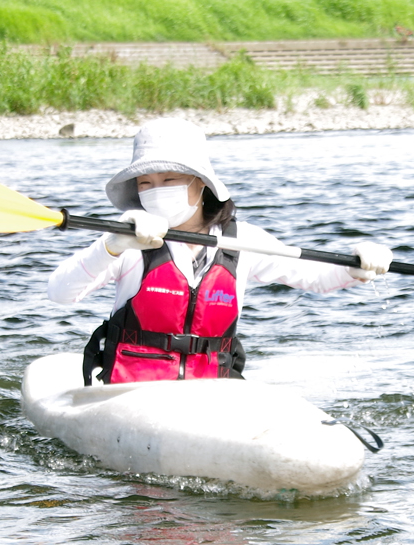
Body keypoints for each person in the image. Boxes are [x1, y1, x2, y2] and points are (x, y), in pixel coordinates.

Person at [48, 119, 392, 385]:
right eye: (145, 183)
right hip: (131, 390)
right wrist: (112, 245)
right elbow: (61, 293)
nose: (155, 191)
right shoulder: (127, 239)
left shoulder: (240, 240)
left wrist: (358, 266)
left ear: (201, 185)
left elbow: (315, 276)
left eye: (169, 180)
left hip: (211, 390)